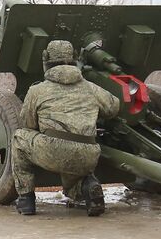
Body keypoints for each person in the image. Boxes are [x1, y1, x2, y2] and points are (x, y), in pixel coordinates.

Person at [10, 40, 121, 216]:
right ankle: (88, 188)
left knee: (19, 137)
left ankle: (26, 200)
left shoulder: (37, 91)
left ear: (46, 60)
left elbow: (28, 124)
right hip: (88, 154)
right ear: (74, 60)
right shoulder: (90, 88)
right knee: (72, 182)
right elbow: (113, 107)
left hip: (52, 151)